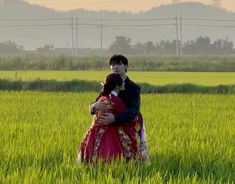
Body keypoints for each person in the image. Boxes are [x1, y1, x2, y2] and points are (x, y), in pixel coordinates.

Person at [89, 54, 148, 160]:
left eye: (119, 64)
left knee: (131, 155)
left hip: (128, 124)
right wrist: (94, 106)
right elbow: (95, 104)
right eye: (112, 64)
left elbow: (134, 110)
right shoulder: (107, 85)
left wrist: (115, 118)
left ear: (126, 66)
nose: (115, 67)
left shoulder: (133, 87)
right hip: (107, 127)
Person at [78, 73, 138, 163]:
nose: (124, 83)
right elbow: (130, 118)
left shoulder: (102, 99)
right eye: (122, 82)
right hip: (112, 133)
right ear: (117, 86)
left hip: (94, 132)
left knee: (92, 155)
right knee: (112, 156)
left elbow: (95, 113)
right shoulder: (116, 101)